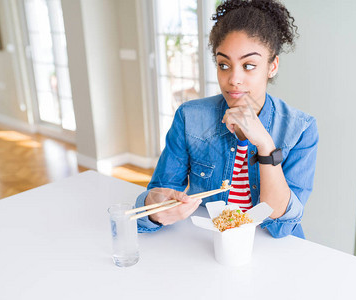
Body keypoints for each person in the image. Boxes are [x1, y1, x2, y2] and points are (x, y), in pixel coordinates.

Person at [135, 0, 318, 238]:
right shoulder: (190, 118)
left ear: (272, 66)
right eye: (224, 65)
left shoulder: (300, 129)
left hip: (272, 249)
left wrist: (264, 143)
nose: (234, 79)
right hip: (210, 243)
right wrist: (154, 209)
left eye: (249, 65)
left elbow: (281, 224)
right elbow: (157, 197)